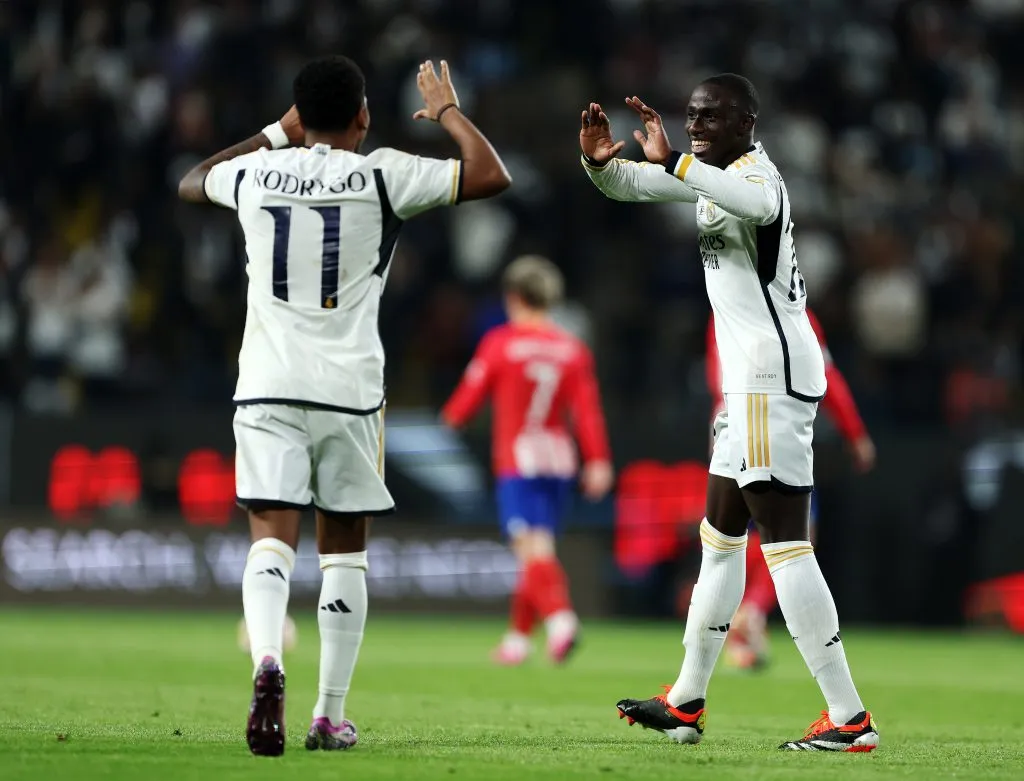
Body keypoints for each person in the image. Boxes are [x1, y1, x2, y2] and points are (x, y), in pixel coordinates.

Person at [178, 55, 511, 756]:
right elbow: (489, 174)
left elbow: (192, 180)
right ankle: (328, 715)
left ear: (302, 116)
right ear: (363, 115)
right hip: (349, 392)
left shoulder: (257, 173)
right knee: (344, 554)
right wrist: (447, 111)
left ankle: (268, 658)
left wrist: (277, 133)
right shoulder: (384, 174)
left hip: (266, 382)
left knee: (270, 539)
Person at [579, 74, 879, 752]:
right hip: (746, 388)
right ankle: (686, 700)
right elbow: (631, 185)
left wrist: (676, 164)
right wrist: (598, 162)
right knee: (719, 539)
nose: (697, 126)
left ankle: (850, 717)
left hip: (771, 379)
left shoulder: (758, 177)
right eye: (692, 115)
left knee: (785, 544)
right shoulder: (711, 176)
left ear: (747, 122)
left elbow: (748, 200)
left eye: (712, 116)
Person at [441, 256, 613, 665]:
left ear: (513, 297)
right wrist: (598, 461)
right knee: (539, 550)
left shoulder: (501, 343)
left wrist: (451, 418)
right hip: (559, 459)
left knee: (530, 550)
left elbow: (466, 400)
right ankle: (518, 639)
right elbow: (587, 411)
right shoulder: (571, 349)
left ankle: (561, 620)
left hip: (519, 459)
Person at [704, 310, 875, 670]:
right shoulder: (795, 310)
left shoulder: (725, 304)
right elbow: (825, 375)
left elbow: (715, 374)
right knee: (795, 538)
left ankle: (736, 629)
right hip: (775, 427)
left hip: (730, 426)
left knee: (738, 535)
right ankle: (750, 614)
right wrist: (855, 432)